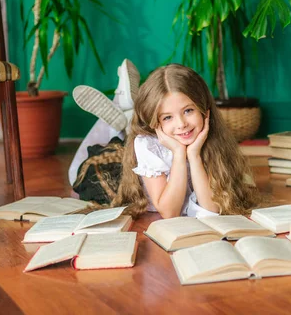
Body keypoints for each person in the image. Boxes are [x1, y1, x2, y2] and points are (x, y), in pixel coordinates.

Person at [109, 64, 260, 219]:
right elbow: (170, 213)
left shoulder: (212, 138)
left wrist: (194, 155)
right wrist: (179, 154)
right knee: (104, 161)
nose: (181, 124)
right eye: (167, 117)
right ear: (156, 123)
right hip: (117, 169)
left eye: (188, 111)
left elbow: (211, 208)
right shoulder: (147, 144)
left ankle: (125, 108)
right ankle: (121, 108)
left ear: (204, 109)